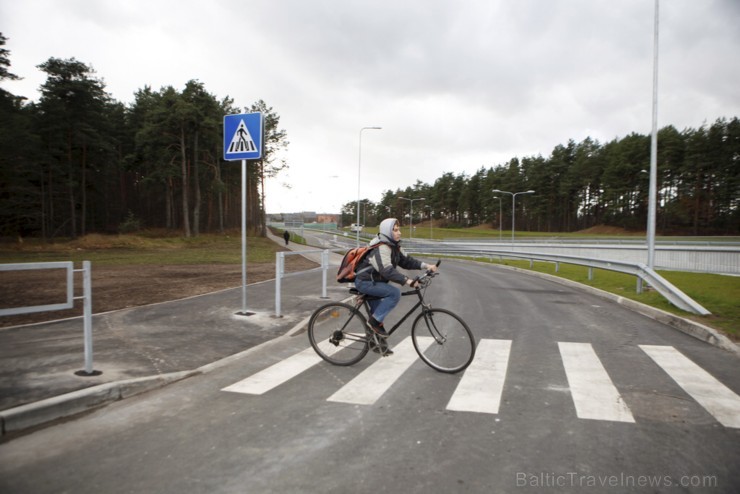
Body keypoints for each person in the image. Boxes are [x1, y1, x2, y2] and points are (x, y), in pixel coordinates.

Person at [354, 218, 438, 354]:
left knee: (378, 317)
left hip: (376, 283)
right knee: (394, 293)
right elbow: (387, 270)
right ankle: (374, 327)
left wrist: (426, 266)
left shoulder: (394, 246)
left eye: (399, 229)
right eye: (395, 230)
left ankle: (377, 344)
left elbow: (407, 261)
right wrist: (407, 281)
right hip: (365, 282)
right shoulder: (381, 247)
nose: (399, 233)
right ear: (387, 231)